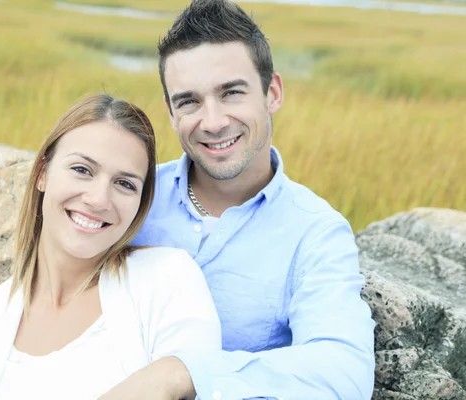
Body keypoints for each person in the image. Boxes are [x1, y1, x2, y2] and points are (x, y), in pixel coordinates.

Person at [99, 1, 376, 399]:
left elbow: (344, 373)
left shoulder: (315, 231)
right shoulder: (132, 195)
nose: (212, 122)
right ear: (171, 112)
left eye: (231, 93)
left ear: (272, 92)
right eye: (189, 101)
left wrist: (184, 374)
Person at [0, 94, 222, 400]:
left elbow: (199, 373)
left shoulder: (166, 277)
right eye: (82, 170)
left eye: (125, 184)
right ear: (43, 172)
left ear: (140, 204)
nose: (99, 199)